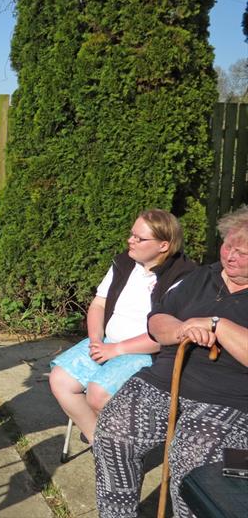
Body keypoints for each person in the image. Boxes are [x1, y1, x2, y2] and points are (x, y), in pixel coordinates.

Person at [94, 205, 248, 518]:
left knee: (193, 454)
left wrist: (216, 324)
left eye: (242, 252)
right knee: (113, 430)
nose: (230, 256)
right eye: (228, 245)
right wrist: (180, 329)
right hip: (164, 381)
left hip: (230, 399)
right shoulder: (200, 278)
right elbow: (157, 321)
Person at [48, 209, 197, 443]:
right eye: (131, 234)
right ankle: (99, 442)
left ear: (164, 245)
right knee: (60, 379)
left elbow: (169, 334)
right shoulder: (125, 262)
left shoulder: (183, 277)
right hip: (107, 342)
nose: (130, 240)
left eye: (139, 238)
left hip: (148, 353)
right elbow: (98, 304)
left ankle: (123, 444)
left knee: (98, 393)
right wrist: (96, 339)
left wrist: (117, 349)